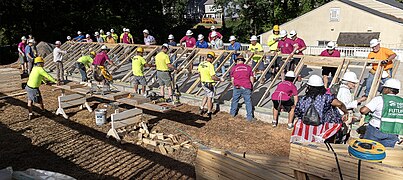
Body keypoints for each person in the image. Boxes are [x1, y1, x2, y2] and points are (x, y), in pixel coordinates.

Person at [291, 75, 348, 143]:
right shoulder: (326, 98)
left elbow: (297, 111)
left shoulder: (303, 99)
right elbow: (339, 104)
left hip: (306, 124)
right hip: (323, 125)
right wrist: (346, 112)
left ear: (309, 87)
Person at [360, 78, 402, 147]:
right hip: (393, 131)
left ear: (387, 89)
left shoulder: (380, 99)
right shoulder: (401, 101)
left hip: (376, 130)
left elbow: (363, 111)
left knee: (368, 151)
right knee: (385, 153)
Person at [198, 52, 223, 118]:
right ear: (212, 58)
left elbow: (199, 73)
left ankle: (201, 107)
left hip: (203, 83)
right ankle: (209, 112)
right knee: (210, 98)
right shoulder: (210, 65)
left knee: (206, 95)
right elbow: (213, 77)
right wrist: (220, 79)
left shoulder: (201, 63)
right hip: (209, 84)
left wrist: (202, 80)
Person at [229, 55, 254, 121]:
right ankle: (249, 117)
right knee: (248, 102)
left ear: (237, 61)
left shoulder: (234, 68)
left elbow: (232, 79)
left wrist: (233, 85)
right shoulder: (248, 68)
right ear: (243, 61)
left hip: (237, 86)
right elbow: (251, 77)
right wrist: (251, 86)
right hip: (246, 86)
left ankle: (232, 114)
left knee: (235, 100)